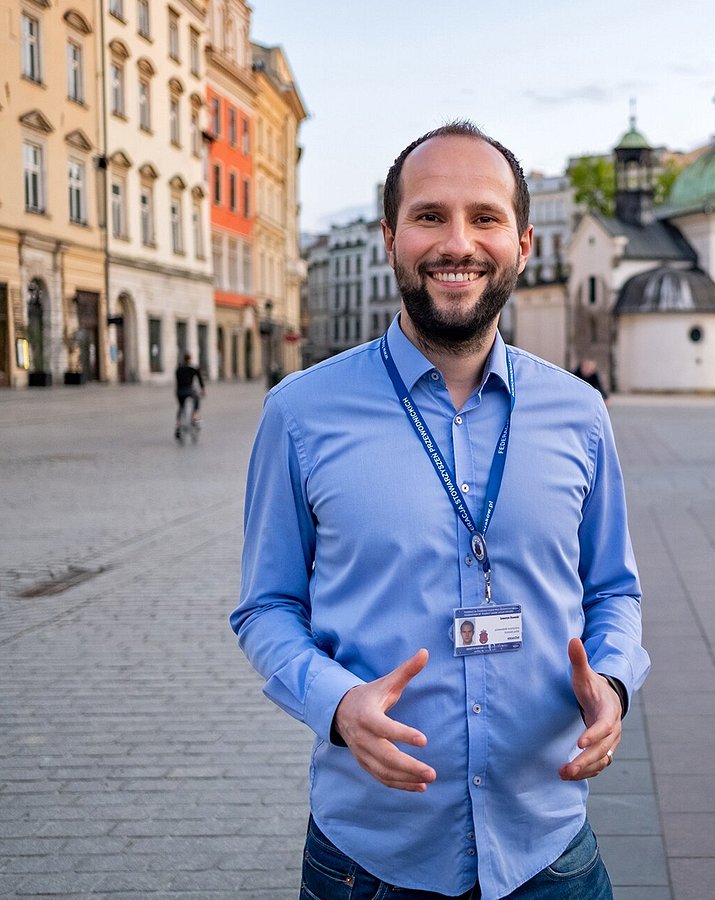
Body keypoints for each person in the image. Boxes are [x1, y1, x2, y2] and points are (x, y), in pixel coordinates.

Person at [231, 121, 649, 900]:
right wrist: (336, 704)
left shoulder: (580, 413)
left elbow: (614, 591)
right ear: (390, 237)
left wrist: (615, 684)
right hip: (370, 861)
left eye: (484, 218)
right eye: (429, 216)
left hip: (548, 850)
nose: (458, 242)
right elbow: (265, 607)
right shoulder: (300, 413)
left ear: (524, 243)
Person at [174, 353, 205, 440]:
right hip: (189, 390)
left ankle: (178, 425)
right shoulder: (193, 368)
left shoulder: (178, 369)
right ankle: (195, 417)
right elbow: (200, 379)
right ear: (190, 359)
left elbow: (177, 381)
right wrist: (202, 389)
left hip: (179, 391)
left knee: (181, 407)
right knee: (197, 400)